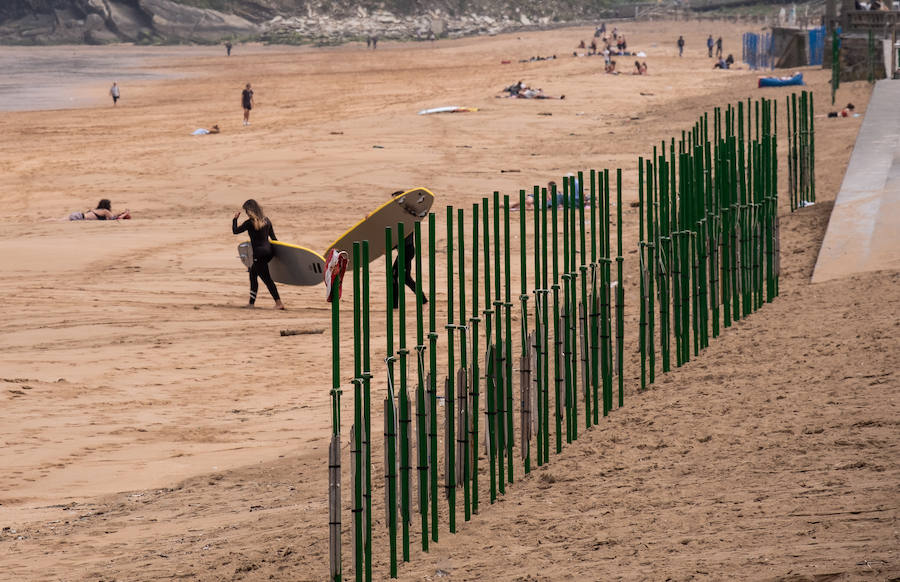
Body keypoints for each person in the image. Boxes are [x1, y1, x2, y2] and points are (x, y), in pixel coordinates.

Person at [232, 199, 284, 310]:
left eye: (246, 211)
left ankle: (279, 303)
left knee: (267, 279)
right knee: (253, 273)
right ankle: (251, 303)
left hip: (259, 255)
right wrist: (281, 253)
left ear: (249, 211)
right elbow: (274, 239)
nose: (246, 213)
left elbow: (235, 231)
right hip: (269, 252)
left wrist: (235, 219)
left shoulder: (249, 223)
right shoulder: (267, 221)